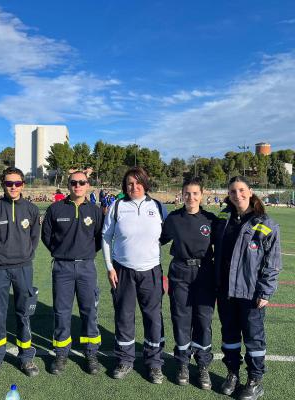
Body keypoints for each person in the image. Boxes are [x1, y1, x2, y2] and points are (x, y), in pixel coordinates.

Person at [214, 176, 282, 400]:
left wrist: (265, 291)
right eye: (233, 191)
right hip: (226, 291)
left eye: (242, 190)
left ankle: (255, 380)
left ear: (250, 191)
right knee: (229, 335)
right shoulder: (224, 218)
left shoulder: (266, 223)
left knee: (254, 339)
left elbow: (273, 262)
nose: (238, 195)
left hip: (251, 293)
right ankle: (232, 374)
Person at [102, 166, 168, 384]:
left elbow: (167, 234)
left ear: (145, 183)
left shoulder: (157, 206)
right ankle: (125, 360)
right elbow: (106, 237)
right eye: (130, 183)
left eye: (138, 182)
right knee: (124, 316)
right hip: (122, 270)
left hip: (151, 271)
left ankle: (154, 363)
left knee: (153, 318)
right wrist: (110, 267)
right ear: (125, 186)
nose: (134, 186)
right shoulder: (117, 206)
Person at [0, 167, 41, 379]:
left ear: (23, 185)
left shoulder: (32, 209)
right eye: (8, 183)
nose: (13, 187)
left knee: (24, 313)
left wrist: (25, 254)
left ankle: (26, 357)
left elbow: (34, 237)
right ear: (3, 185)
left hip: (23, 268)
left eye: (17, 183)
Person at [41, 171, 104, 375]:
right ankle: (61, 354)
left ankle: (91, 353)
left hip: (86, 267)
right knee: (62, 311)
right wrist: (61, 252)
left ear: (88, 185)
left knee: (89, 311)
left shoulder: (95, 211)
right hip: (62, 267)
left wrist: (85, 253)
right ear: (68, 185)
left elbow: (99, 238)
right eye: (74, 182)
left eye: (82, 182)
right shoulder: (55, 209)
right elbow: (47, 236)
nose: (78, 185)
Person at [160, 177, 216, 390]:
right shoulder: (174, 219)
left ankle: (202, 365)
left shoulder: (211, 220)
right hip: (180, 273)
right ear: (181, 194)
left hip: (205, 274)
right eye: (187, 193)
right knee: (181, 319)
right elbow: (157, 239)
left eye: (195, 193)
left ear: (202, 195)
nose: (191, 197)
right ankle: (183, 363)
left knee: (203, 320)